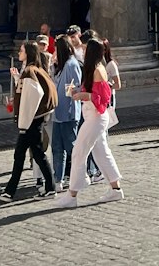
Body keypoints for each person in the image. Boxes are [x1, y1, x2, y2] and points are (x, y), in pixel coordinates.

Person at [54, 39, 123, 208]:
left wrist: (84, 96)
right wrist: (80, 92)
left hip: (95, 117)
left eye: (85, 50)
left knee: (79, 151)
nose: (82, 52)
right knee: (101, 153)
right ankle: (115, 189)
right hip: (93, 115)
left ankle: (73, 194)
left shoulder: (98, 70)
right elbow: (94, 92)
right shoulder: (94, 69)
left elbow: (103, 97)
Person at [0, 42, 56, 201]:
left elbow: (31, 97)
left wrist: (23, 122)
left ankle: (11, 192)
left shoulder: (30, 72)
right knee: (31, 154)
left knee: (27, 154)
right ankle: (48, 187)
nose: (18, 53)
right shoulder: (33, 70)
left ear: (27, 53)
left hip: (30, 122)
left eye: (21, 51)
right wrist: (17, 78)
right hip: (32, 121)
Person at [51, 35, 82, 190]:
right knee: (57, 147)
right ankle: (58, 179)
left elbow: (76, 86)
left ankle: (80, 175)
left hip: (68, 112)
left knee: (71, 147)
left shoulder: (71, 64)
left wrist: (66, 94)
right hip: (58, 113)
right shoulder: (61, 65)